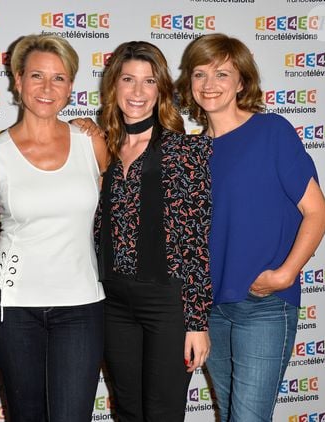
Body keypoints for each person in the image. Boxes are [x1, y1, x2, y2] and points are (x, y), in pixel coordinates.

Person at [176, 33, 325, 421]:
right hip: (211, 311)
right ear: (189, 83)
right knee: (230, 414)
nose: (210, 85)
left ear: (242, 81)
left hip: (264, 305)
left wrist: (284, 275)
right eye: (200, 74)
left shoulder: (271, 132)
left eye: (222, 74)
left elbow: (317, 213)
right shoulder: (190, 153)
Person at [0, 34, 108, 421]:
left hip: (81, 304)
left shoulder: (92, 144)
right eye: (36, 76)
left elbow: (124, 217)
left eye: (59, 78)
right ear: (17, 80)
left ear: (70, 87)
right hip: (11, 307)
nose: (47, 88)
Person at [94, 41, 213, 421]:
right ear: (114, 86)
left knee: (162, 413)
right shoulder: (100, 147)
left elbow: (196, 240)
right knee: (127, 410)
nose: (138, 92)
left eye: (149, 81)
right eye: (128, 79)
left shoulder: (183, 151)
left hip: (166, 303)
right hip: (112, 300)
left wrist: (196, 322)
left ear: (161, 89)